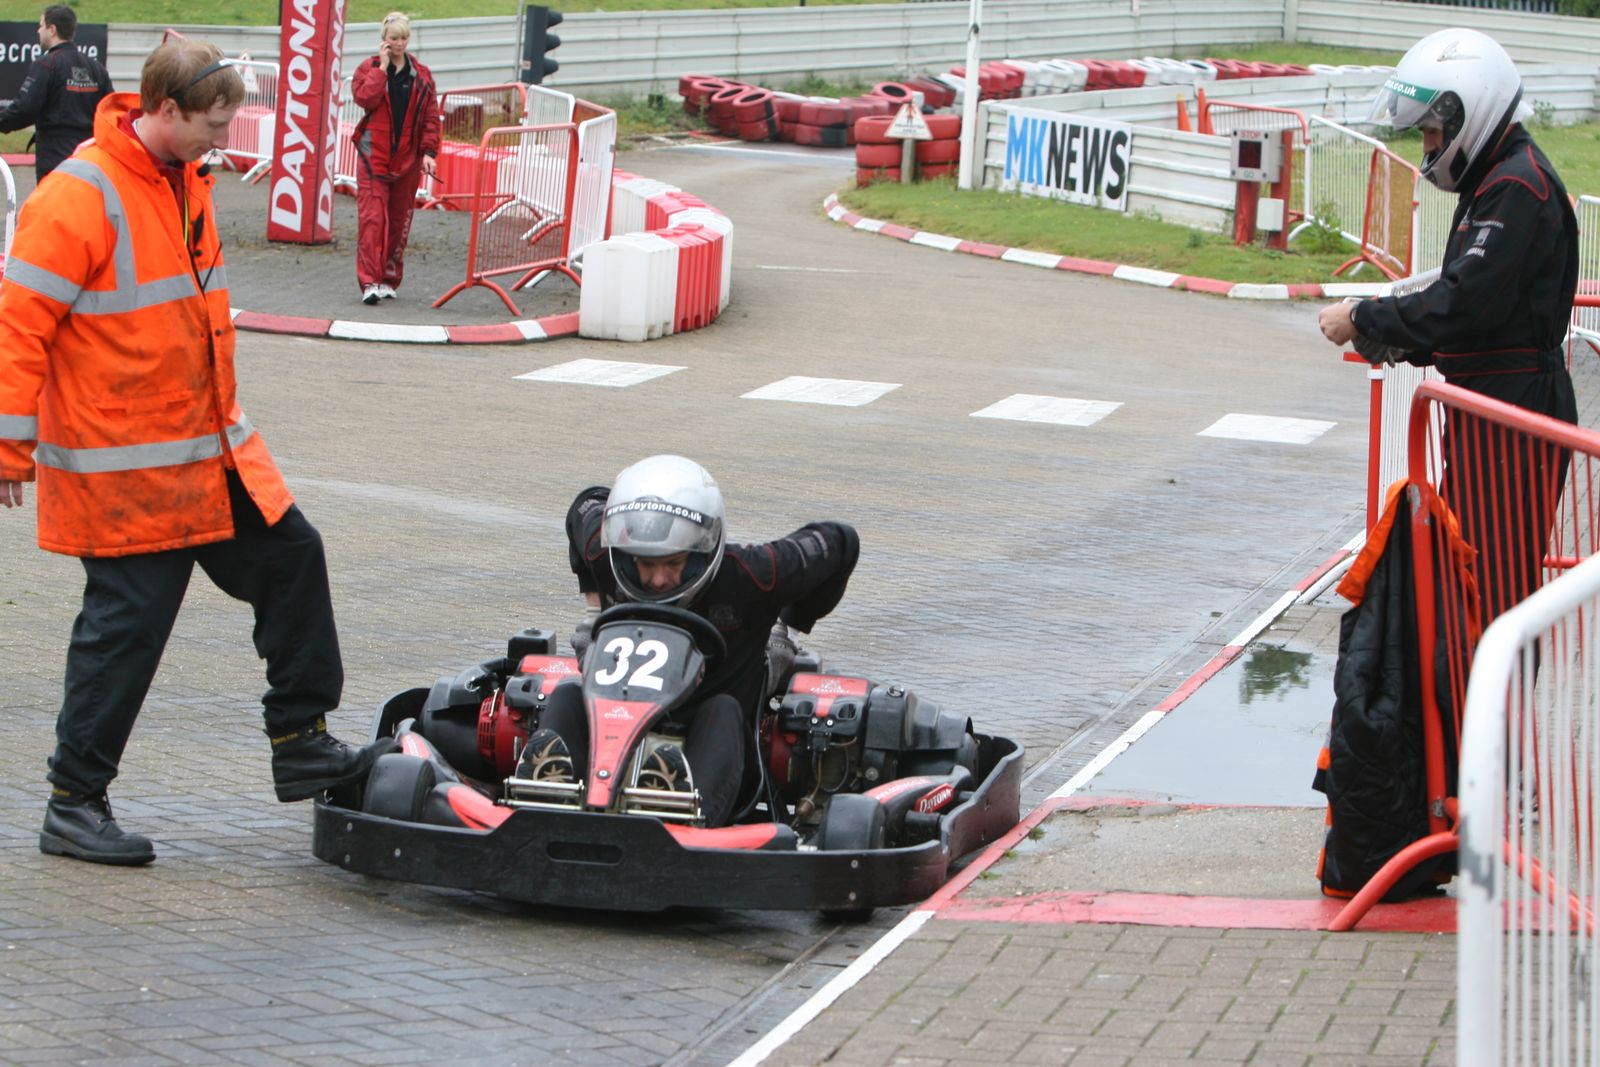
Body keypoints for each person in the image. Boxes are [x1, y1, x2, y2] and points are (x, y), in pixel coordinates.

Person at [0, 40, 393, 867]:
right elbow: (18, 327)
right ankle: (73, 803)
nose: (221, 139)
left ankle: (302, 739)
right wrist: (8, 446)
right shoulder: (78, 196)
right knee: (125, 632)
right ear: (164, 109)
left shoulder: (186, 182)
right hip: (128, 470)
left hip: (205, 454)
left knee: (293, 558)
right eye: (211, 125)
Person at [1316, 27, 1578, 623]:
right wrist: (1394, 339)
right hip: (1492, 407)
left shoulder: (1517, 185)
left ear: (1467, 114)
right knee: (1470, 581)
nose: (1428, 145)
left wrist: (1363, 314)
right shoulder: (1498, 177)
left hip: (1513, 415)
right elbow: (1477, 317)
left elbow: (1463, 305)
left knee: (1493, 590)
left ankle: (1485, 714)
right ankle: (1465, 710)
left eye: (1433, 131)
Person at [533, 455, 860, 827]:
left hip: (712, 747)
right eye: (645, 563)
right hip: (609, 732)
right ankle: (543, 810)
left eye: (673, 563)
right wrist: (592, 617)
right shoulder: (608, 556)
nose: (658, 579)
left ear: (702, 547)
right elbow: (585, 504)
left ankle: (689, 824)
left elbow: (840, 542)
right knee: (567, 695)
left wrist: (788, 632)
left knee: (721, 711)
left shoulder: (750, 575)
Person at [350, 11, 439, 306]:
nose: (399, 43)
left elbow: (430, 116)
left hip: (408, 160)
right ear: (384, 40)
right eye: (394, 38)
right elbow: (365, 99)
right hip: (372, 157)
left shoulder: (423, 75)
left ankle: (389, 279)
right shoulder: (368, 68)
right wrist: (382, 69)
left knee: (400, 220)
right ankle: (369, 282)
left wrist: (429, 152)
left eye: (404, 38)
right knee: (372, 219)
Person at [0, 5, 114, 183]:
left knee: (54, 210)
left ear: (52, 30)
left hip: (55, 160)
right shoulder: (96, 68)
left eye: (41, 26)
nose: (38, 31)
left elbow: (24, 109)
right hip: (90, 159)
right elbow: (110, 111)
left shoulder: (46, 64)